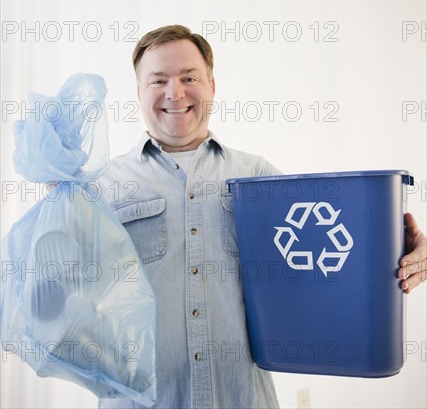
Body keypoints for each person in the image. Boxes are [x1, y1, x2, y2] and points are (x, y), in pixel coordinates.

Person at [98, 25, 426, 409]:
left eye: (189, 77)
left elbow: (323, 260)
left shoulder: (260, 177)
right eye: (159, 80)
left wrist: (399, 251)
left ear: (212, 86)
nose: (176, 92)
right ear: (139, 92)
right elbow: (60, 291)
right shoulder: (101, 186)